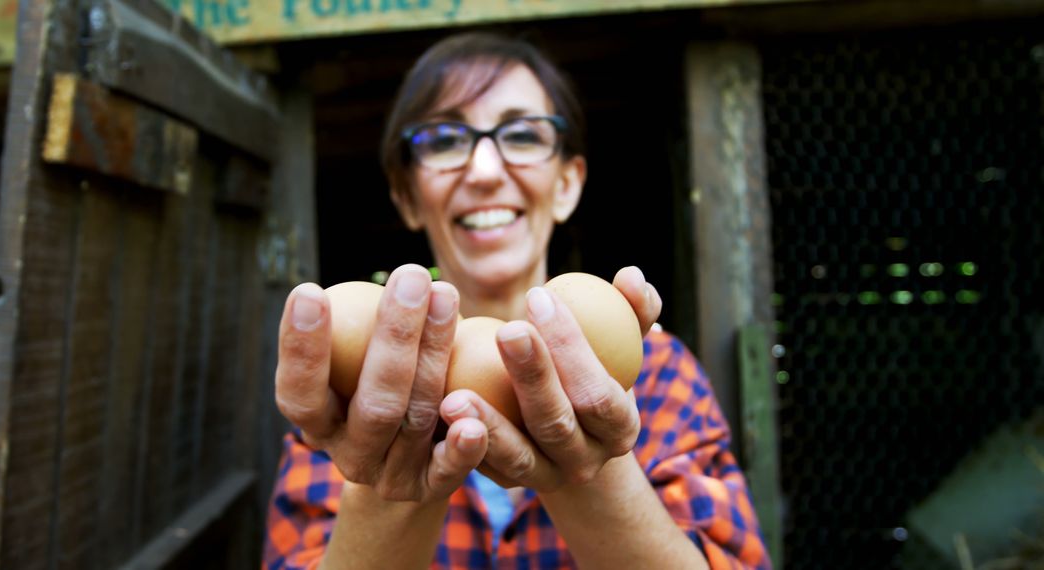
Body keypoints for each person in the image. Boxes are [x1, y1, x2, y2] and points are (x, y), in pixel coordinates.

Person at [263, 31, 770, 570]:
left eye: (523, 135)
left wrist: (591, 473)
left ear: (568, 184)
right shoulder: (354, 398)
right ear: (408, 197)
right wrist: (387, 483)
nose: (484, 171)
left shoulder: (659, 375)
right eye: (444, 138)